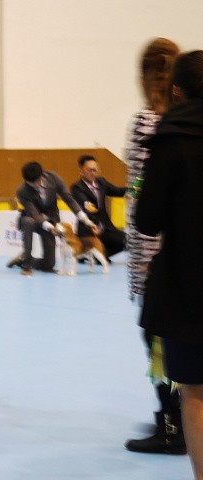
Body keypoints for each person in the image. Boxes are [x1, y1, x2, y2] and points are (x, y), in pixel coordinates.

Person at [136, 50, 203, 479]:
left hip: (188, 287)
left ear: (177, 90)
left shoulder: (170, 139)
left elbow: (147, 219)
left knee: (194, 393)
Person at [123, 37, 184, 455]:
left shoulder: (147, 123)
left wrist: (147, 258)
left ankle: (171, 424)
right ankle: (182, 415)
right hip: (181, 250)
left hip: (152, 253)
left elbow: (145, 194)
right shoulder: (185, 121)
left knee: (157, 342)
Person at [7, 161, 97, 276]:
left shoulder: (53, 178)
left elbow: (68, 198)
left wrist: (85, 219)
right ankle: (27, 265)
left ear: (42, 176)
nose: (34, 185)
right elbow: (35, 214)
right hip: (32, 218)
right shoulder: (22, 191)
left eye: (36, 182)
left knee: (49, 265)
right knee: (28, 221)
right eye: (30, 183)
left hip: (51, 218)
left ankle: (21, 259)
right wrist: (50, 228)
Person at [70, 155, 126, 261]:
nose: (93, 173)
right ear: (81, 171)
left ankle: (97, 256)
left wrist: (133, 189)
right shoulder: (77, 188)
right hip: (89, 231)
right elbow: (88, 208)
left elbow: (118, 191)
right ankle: (90, 254)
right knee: (103, 260)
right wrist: (93, 225)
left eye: (95, 170)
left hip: (106, 229)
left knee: (128, 240)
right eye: (90, 170)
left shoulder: (101, 182)